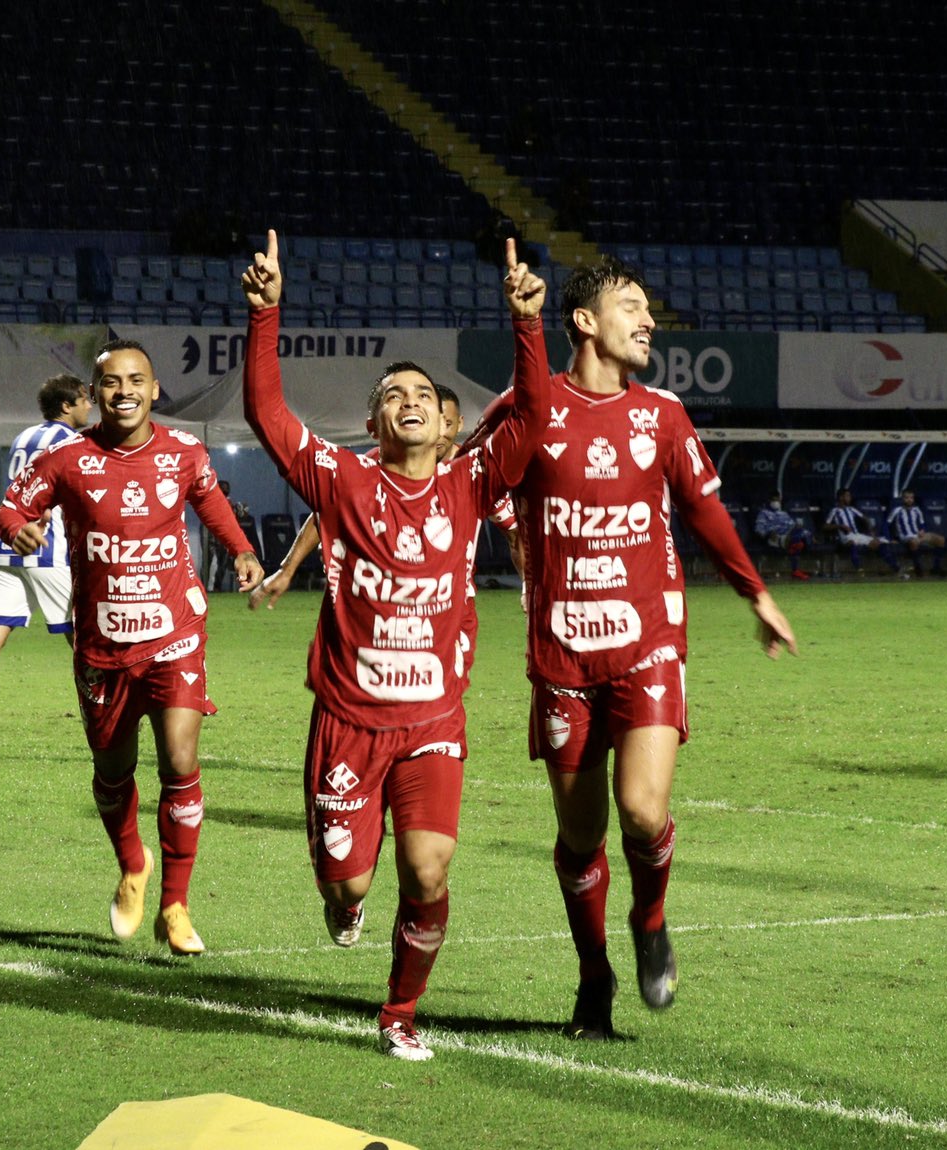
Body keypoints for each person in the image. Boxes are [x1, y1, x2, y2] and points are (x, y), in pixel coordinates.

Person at [465, 255, 796, 1042]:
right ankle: (593, 975)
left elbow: (705, 512)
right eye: (632, 307)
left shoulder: (663, 415)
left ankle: (650, 919)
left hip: (648, 640)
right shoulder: (528, 406)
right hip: (562, 654)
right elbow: (465, 489)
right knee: (581, 837)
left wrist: (756, 592)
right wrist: (506, 531)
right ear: (585, 321)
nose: (649, 322)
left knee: (643, 814)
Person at [241, 230, 548, 1061]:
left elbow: (534, 417)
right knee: (350, 880)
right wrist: (266, 313)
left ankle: (400, 1014)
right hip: (349, 719)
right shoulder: (344, 481)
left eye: (421, 392)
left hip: (433, 720)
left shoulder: (470, 482)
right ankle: (343, 902)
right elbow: (269, 415)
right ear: (373, 420)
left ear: (446, 421)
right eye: (392, 394)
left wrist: (527, 324)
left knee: (429, 871)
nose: (408, 400)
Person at [0, 338, 263, 955]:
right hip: (102, 645)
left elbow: (210, 501)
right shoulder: (67, 459)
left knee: (180, 761)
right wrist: (20, 529)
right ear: (95, 394)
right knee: (113, 771)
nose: (125, 392)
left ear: (154, 388)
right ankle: (133, 865)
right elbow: (9, 509)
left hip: (175, 633)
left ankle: (176, 904)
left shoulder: (184, 452)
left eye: (136, 380)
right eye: (112, 383)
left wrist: (242, 549)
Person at [0, 373, 94, 755]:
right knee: (84, 643)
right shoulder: (73, 442)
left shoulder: (22, 437)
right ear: (66, 405)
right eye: (84, 399)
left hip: (8, 547)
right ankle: (101, 723)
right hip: (46, 547)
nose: (89, 405)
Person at [247, 386, 466, 610]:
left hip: (448, 601)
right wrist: (288, 568)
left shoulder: (472, 472)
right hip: (382, 599)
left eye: (446, 424)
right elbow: (327, 509)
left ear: (457, 424)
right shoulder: (375, 464)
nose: (439, 434)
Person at [823, 489, 899, 575]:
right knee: (852, 543)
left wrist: (871, 531)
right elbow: (825, 526)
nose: (850, 498)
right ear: (841, 497)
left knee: (878, 543)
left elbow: (866, 518)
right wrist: (840, 526)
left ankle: (895, 567)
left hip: (856, 535)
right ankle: (858, 569)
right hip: (845, 537)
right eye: (847, 496)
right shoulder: (834, 511)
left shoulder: (852, 509)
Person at [205, 480, 254, 592]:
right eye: (223, 487)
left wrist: (239, 510)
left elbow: (238, 515)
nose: (225, 489)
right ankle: (207, 587)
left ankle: (216, 587)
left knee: (222, 563)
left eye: (226, 488)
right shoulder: (212, 500)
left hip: (223, 536)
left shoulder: (228, 502)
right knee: (210, 562)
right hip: (212, 534)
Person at [885, 490, 946, 577]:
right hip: (905, 536)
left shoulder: (917, 510)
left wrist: (922, 530)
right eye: (907, 498)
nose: (909, 500)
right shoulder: (897, 510)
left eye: (911, 498)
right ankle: (918, 568)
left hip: (917, 535)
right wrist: (889, 539)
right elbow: (886, 524)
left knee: (941, 540)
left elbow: (922, 524)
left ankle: (936, 567)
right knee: (914, 542)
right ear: (902, 499)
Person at [752, 495, 813, 582]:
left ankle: (794, 545)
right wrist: (768, 534)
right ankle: (795, 569)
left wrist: (797, 528)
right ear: (769, 501)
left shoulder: (784, 514)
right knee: (798, 542)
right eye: (774, 500)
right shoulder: (763, 513)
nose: (776, 502)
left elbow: (792, 525)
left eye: (778, 500)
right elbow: (758, 529)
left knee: (802, 533)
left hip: (788, 534)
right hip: (774, 537)